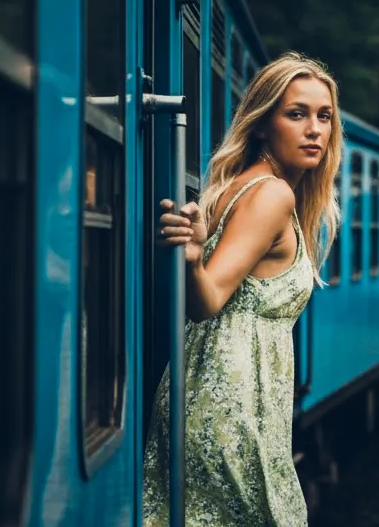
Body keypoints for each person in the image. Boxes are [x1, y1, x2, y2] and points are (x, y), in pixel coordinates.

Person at [142, 52, 343, 525]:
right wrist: (193, 262)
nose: (314, 129)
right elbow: (208, 300)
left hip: (210, 397)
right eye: (296, 114)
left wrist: (194, 261)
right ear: (261, 124)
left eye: (324, 116)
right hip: (232, 409)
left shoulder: (239, 186)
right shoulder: (272, 194)